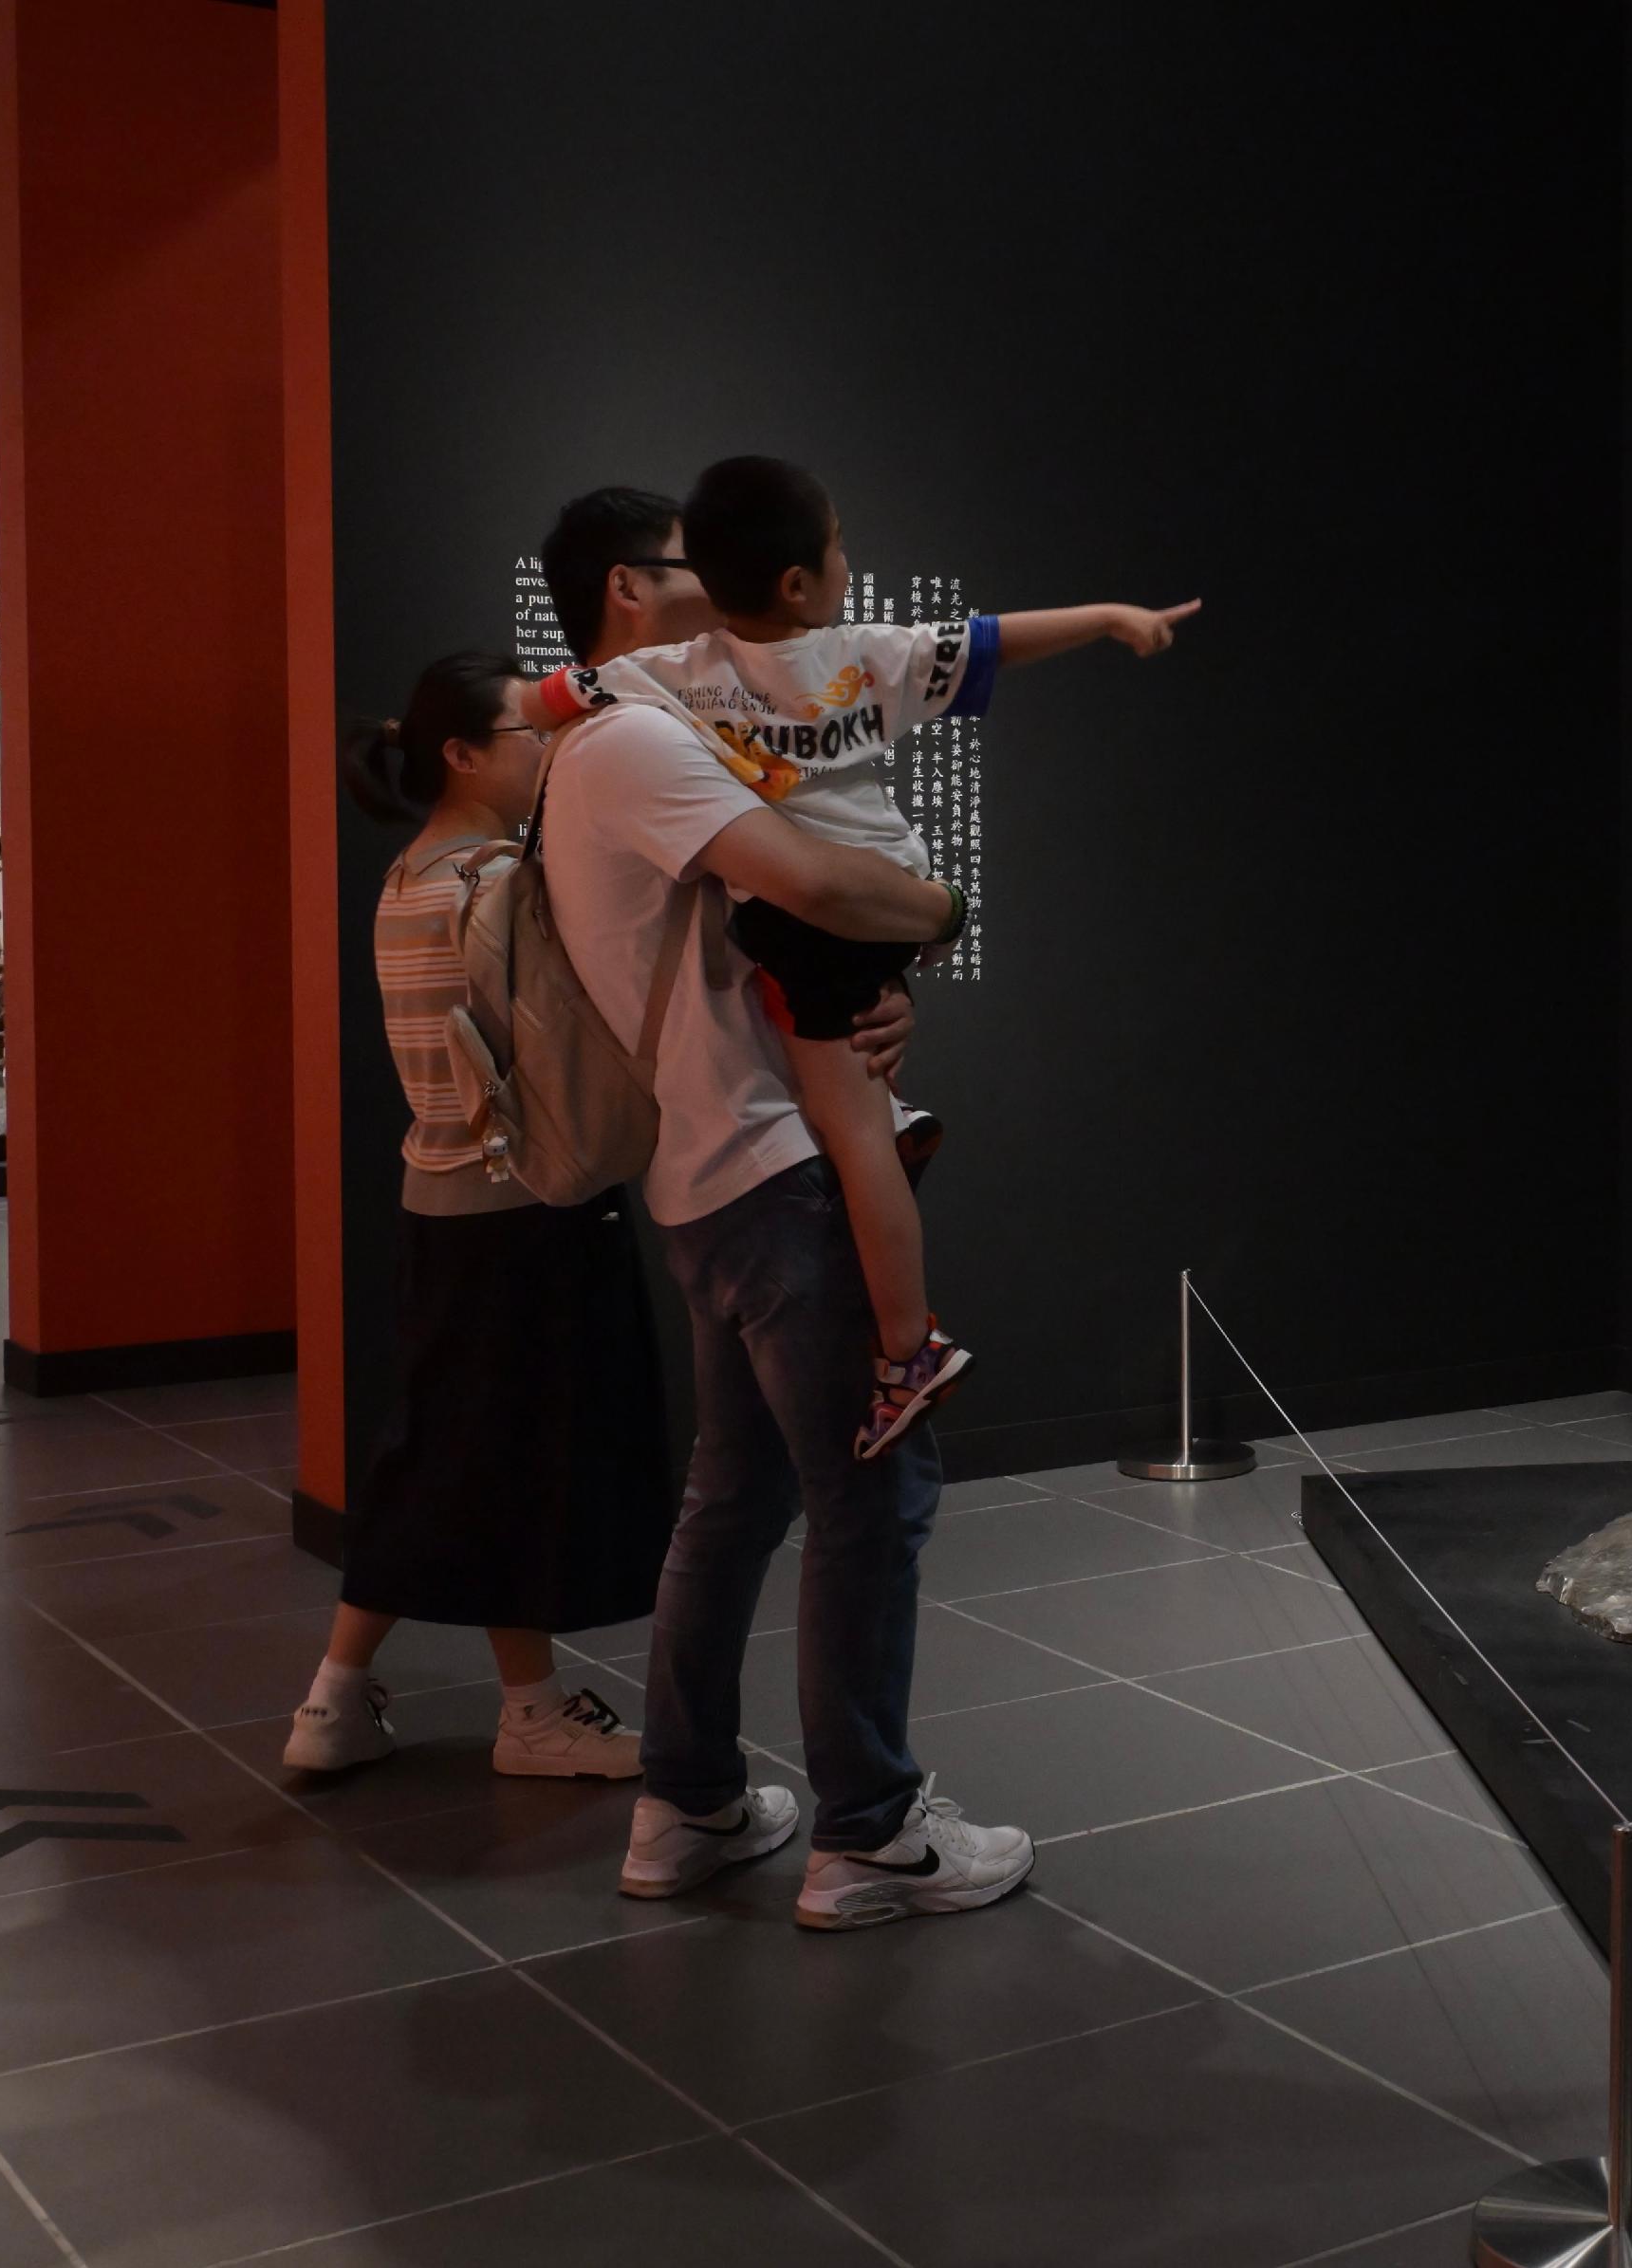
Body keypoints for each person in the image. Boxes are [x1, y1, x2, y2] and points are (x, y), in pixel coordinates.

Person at [531, 481, 1036, 1927]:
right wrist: (937, 914)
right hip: (771, 1169)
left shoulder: (622, 730)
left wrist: (879, 997)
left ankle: (685, 1803)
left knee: (737, 1498)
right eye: (684, 564)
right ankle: (869, 1832)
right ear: (632, 591)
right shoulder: (635, 740)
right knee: (872, 1497)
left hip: (716, 1166)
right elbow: (815, 879)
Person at [526, 454, 1199, 1456]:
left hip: (813, 930)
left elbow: (544, 698)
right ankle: (906, 1314)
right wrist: (1108, 615)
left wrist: (450, 728)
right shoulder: (861, 656)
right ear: (801, 581)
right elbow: (989, 645)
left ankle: (904, 1343)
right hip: (864, 900)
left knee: (848, 1129)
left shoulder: (662, 684)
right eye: (839, 543)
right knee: (858, 1128)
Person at [282, 653, 670, 1779]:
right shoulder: (499, 880)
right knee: (505, 1463)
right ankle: (520, 1718)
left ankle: (341, 1702)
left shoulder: (414, 874)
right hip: (524, 1205)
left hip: (444, 1200)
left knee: (452, 1454)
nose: (543, 749)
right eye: (524, 732)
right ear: (461, 754)